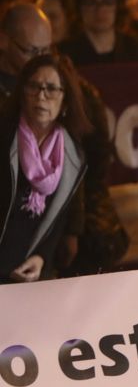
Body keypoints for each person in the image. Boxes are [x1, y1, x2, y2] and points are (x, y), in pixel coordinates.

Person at [0, 53, 90, 283]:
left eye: (51, 89)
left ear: (65, 100)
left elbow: (58, 218)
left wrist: (41, 257)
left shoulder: (72, 154)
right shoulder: (4, 137)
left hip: (30, 272)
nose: (41, 96)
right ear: (22, 94)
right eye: (34, 87)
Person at [60, 0, 138, 67]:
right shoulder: (64, 55)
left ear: (117, 6)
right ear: (79, 8)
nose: (100, 10)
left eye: (107, 2)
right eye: (91, 3)